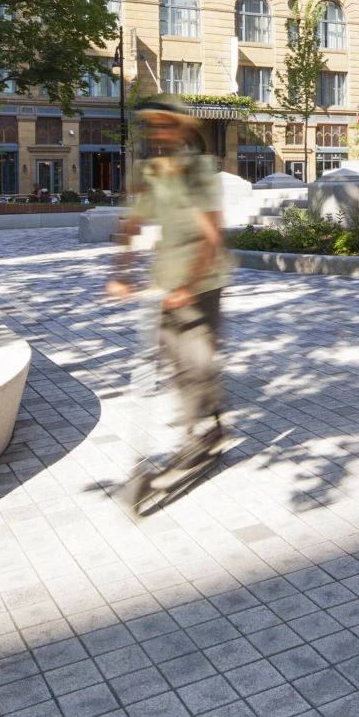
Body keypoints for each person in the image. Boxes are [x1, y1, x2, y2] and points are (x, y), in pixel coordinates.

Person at [106, 96, 227, 510]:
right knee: (176, 364)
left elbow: (212, 236)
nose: (157, 133)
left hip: (202, 281)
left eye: (165, 125)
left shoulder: (200, 171)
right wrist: (121, 271)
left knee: (197, 361)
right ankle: (208, 424)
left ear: (182, 129)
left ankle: (200, 436)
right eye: (152, 126)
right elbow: (132, 224)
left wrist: (189, 286)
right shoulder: (151, 171)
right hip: (166, 283)